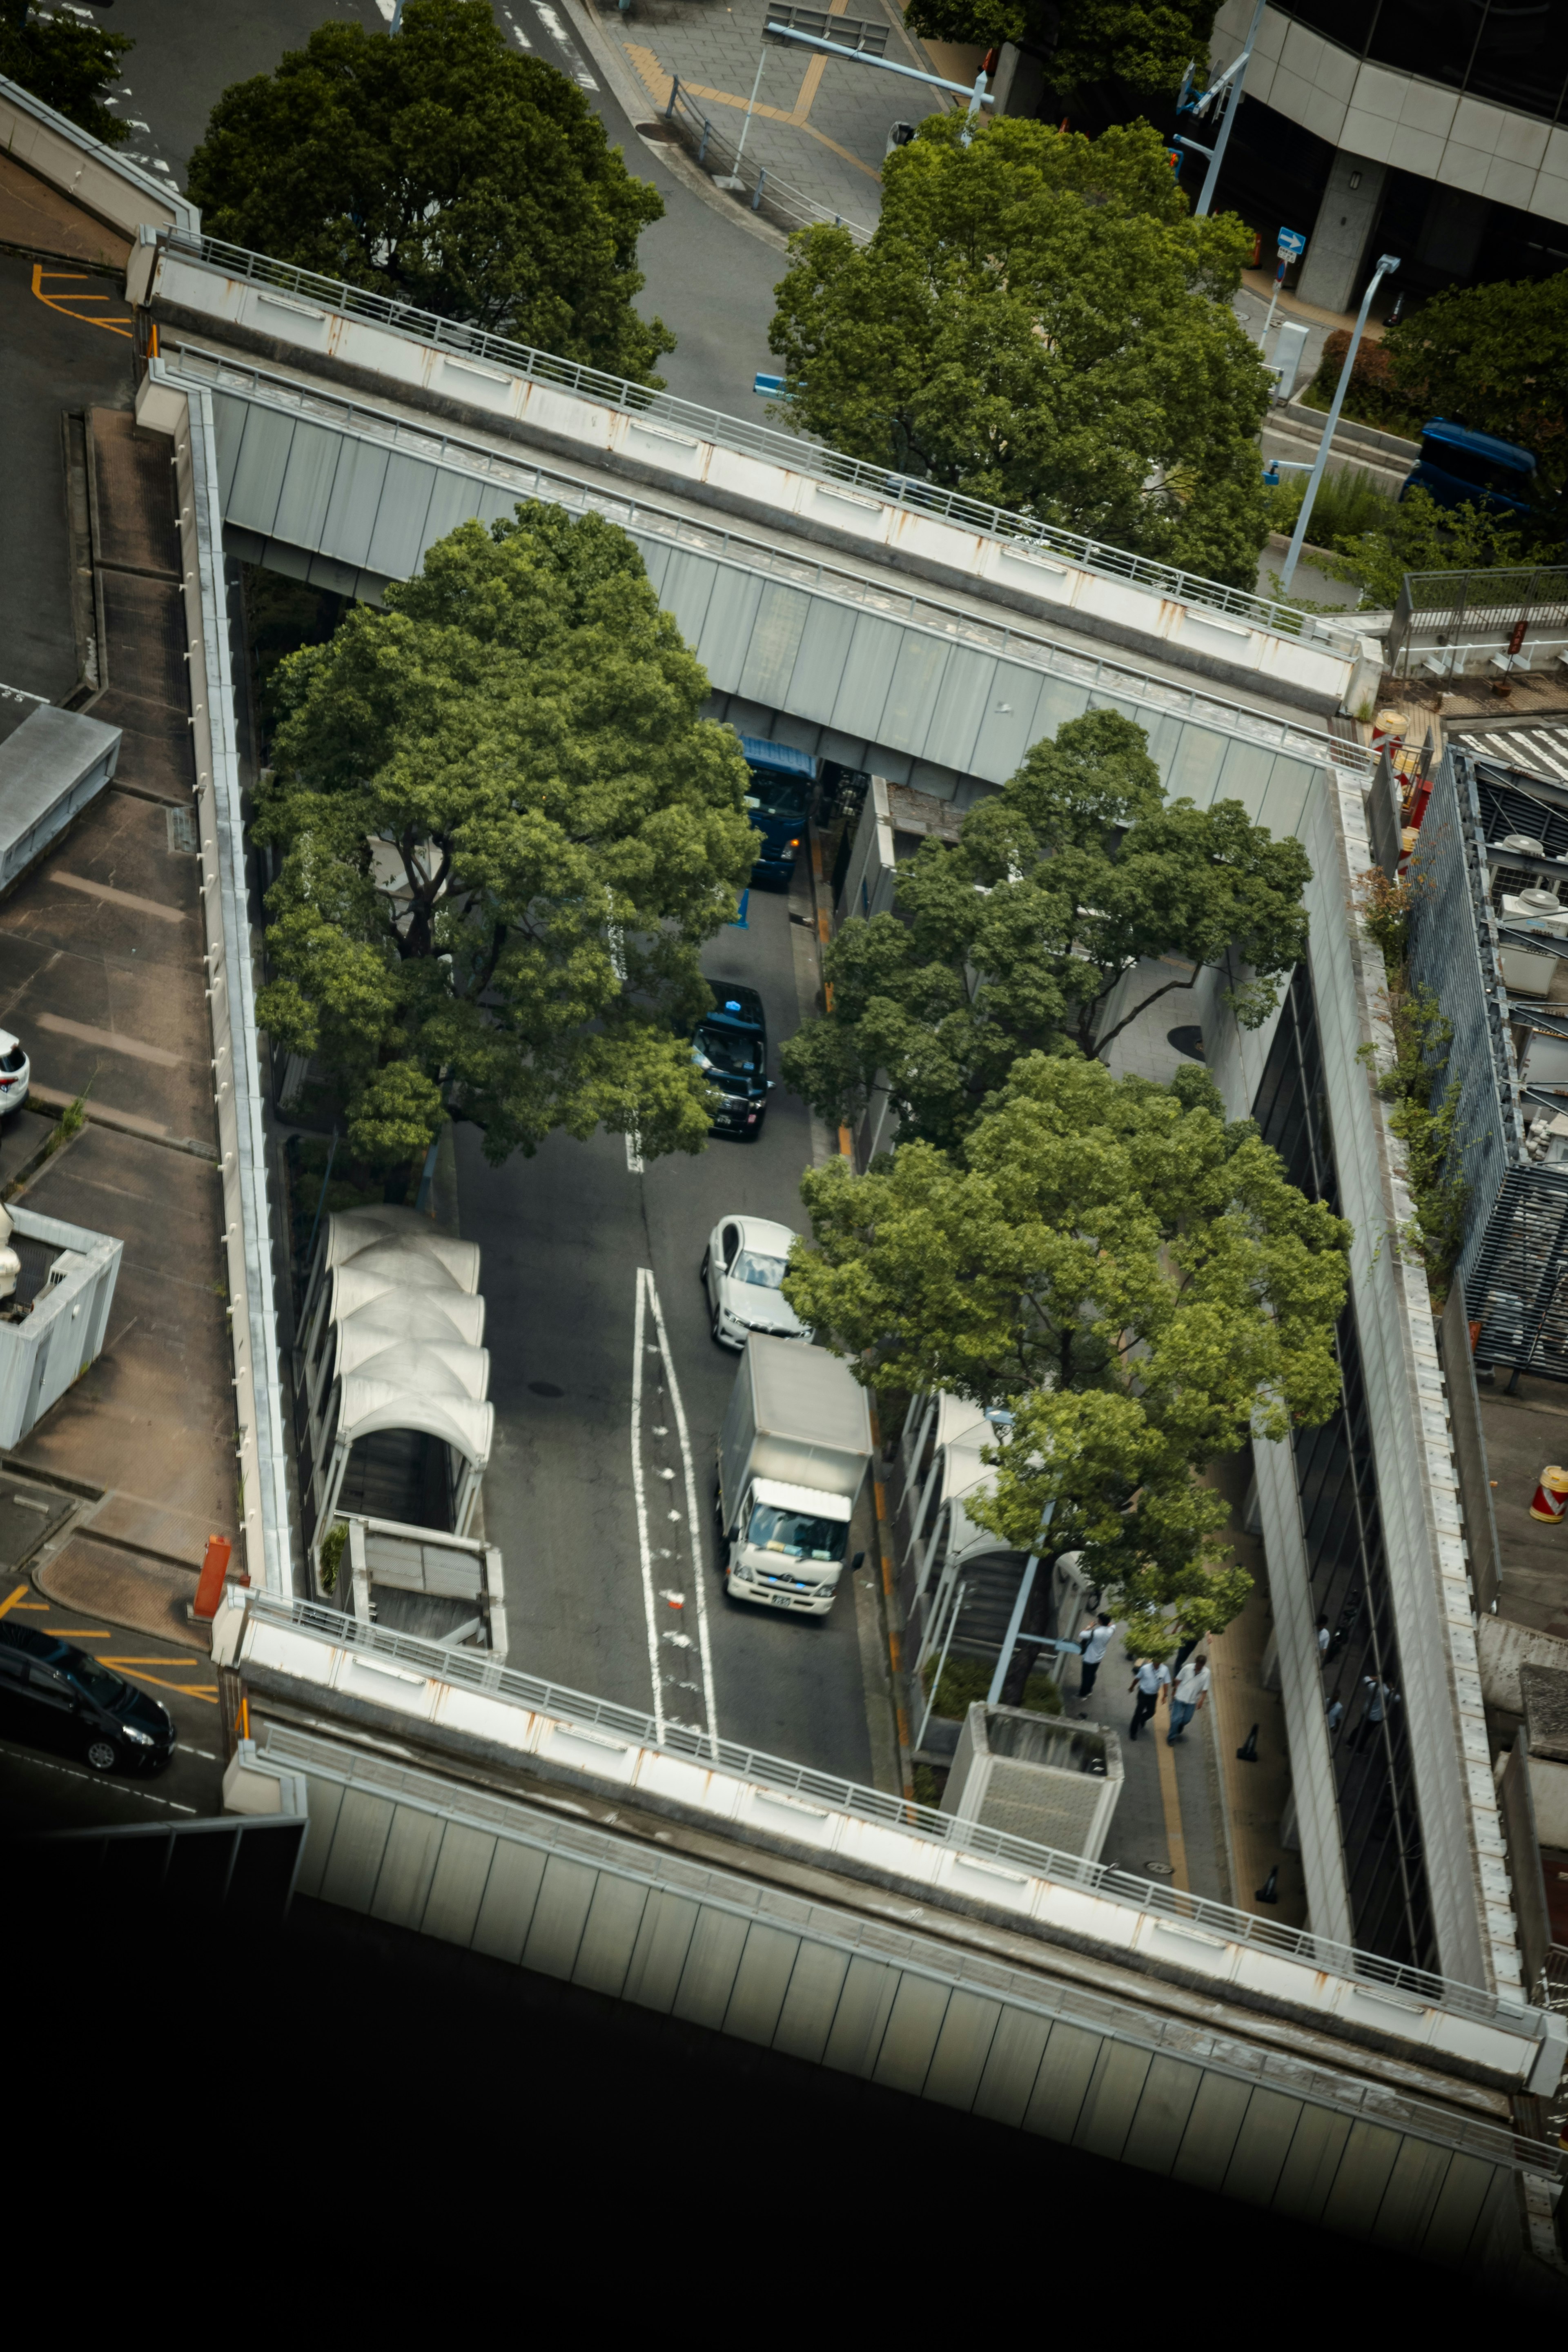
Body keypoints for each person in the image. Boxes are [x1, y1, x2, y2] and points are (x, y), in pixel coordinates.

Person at [1166, 1650, 1211, 1743]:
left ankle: (1180, 1725)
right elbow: (1178, 1680)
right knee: (1175, 1720)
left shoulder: (1207, 1673)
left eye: (1201, 1666)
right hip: (1180, 1697)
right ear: (1196, 1662)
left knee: (1187, 1719)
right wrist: (1174, 1692)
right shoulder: (1187, 1668)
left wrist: (1201, 1701)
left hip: (1192, 1701)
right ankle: (1171, 1738)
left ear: (1204, 1665)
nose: (1199, 1667)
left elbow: (1205, 1690)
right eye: (1198, 1665)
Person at [1076, 1613, 1116, 1715]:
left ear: (1101, 1622)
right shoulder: (1111, 1630)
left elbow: (1082, 1634)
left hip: (1090, 1657)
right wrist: (1107, 1623)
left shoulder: (1096, 1633)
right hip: (1099, 1657)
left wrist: (1089, 1626)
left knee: (1086, 1676)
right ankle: (1089, 1690)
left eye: (1099, 1619)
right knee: (1093, 1674)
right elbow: (1113, 1625)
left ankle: (1083, 1693)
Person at [1127, 1655, 1170, 1740]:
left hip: (1153, 1695)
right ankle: (1133, 1732)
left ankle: (1142, 1719)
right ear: (1153, 1661)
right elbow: (1137, 1679)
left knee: (1151, 1712)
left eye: (1159, 1663)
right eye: (1156, 1662)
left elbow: (1166, 1683)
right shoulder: (1145, 1668)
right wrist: (1132, 1687)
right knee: (1138, 1713)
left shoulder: (1165, 1670)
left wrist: (1165, 1696)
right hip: (1143, 1694)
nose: (1157, 1665)